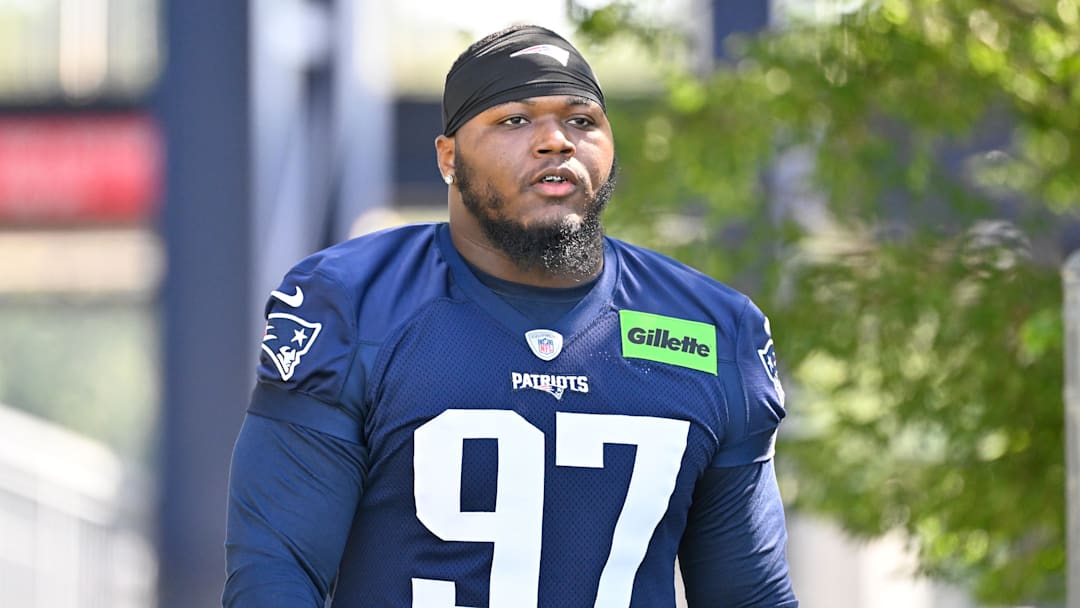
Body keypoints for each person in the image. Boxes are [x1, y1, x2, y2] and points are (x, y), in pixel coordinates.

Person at [223, 24, 798, 608]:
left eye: (582, 120)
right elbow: (276, 572)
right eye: (514, 120)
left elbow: (748, 595)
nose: (556, 141)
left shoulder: (714, 329)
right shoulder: (354, 303)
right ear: (449, 157)